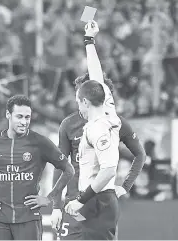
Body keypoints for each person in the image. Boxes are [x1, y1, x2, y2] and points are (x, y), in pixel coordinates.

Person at [51, 73, 146, 240]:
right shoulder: (68, 125)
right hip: (74, 204)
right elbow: (60, 166)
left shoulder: (115, 123)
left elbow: (140, 154)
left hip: (100, 203)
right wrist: (56, 206)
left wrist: (125, 186)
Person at [0, 95, 75, 240]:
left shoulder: (39, 142)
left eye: (27, 117)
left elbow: (69, 170)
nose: (24, 122)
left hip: (29, 221)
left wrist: (49, 198)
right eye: (19, 117)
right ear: (8, 115)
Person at [62, 20, 122, 240]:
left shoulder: (97, 129)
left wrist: (81, 200)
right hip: (98, 200)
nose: (77, 106)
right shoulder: (107, 110)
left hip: (97, 200)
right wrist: (89, 41)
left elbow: (109, 169)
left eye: (79, 101)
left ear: (85, 102)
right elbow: (97, 77)